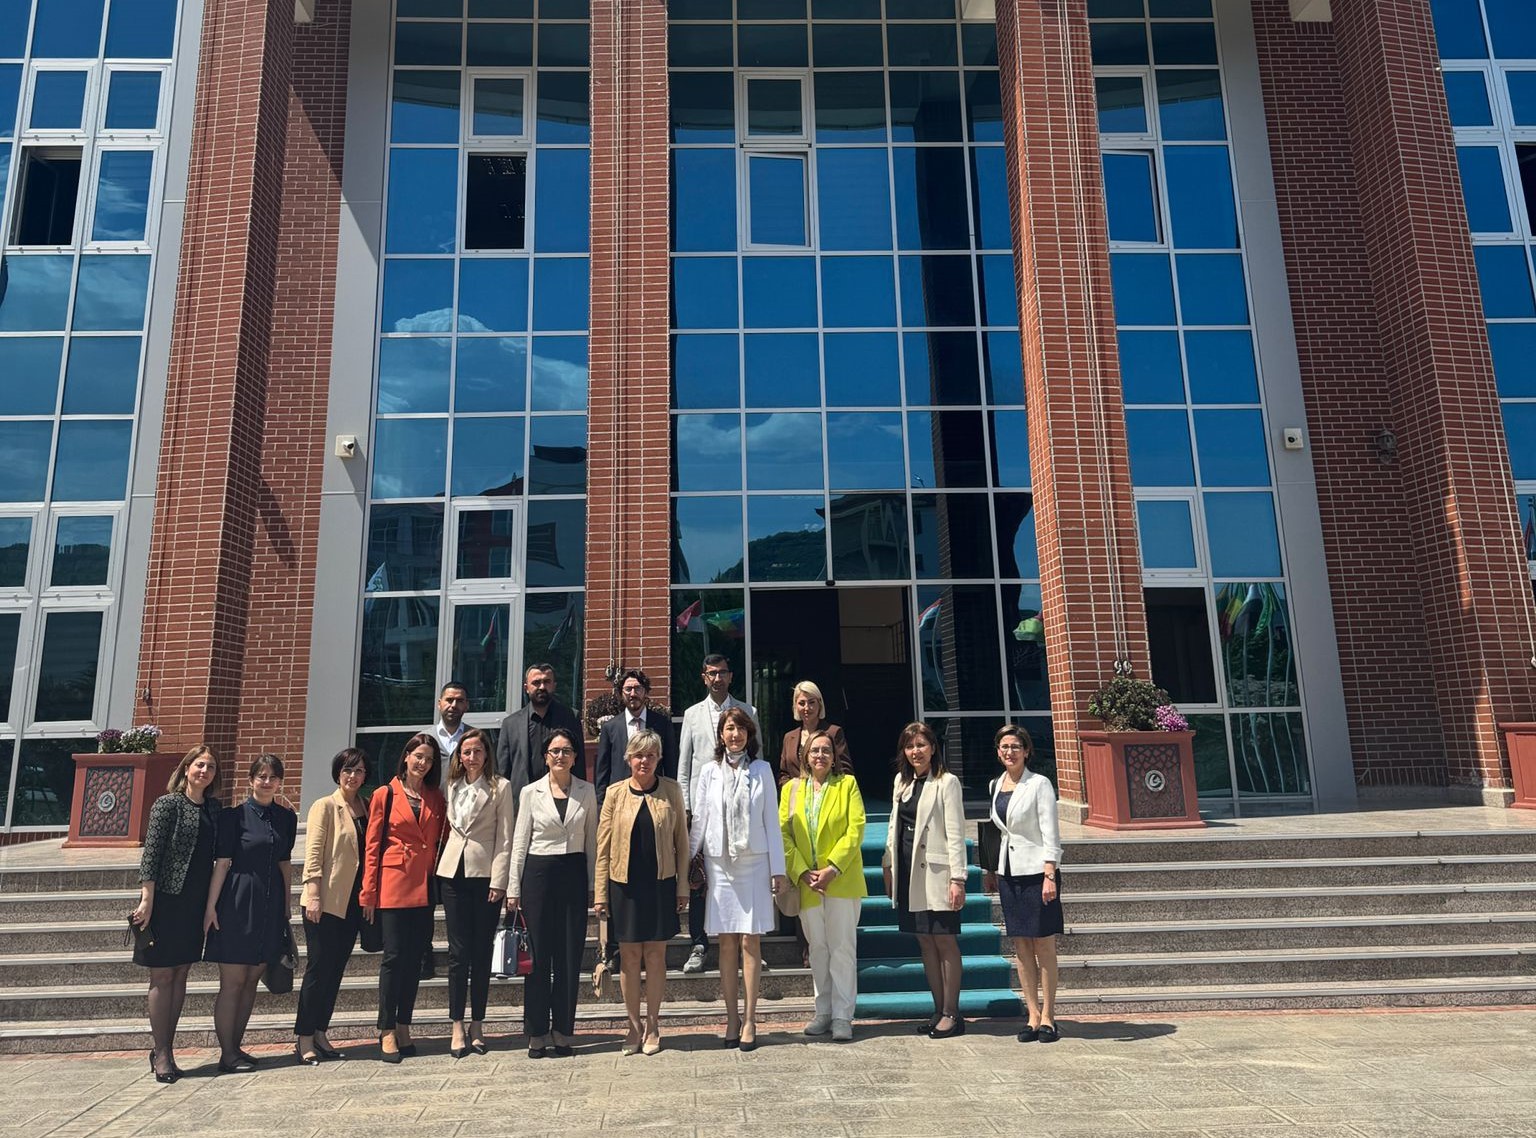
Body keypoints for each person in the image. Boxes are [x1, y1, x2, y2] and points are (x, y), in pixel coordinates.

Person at [690, 707, 787, 1052]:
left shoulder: (762, 770)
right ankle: (731, 1017)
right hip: (720, 864)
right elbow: (700, 819)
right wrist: (689, 861)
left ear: (749, 734)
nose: (735, 735)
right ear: (721, 734)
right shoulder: (708, 771)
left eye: (741, 729)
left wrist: (779, 869)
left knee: (750, 942)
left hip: (755, 862)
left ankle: (750, 1019)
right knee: (726, 943)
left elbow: (772, 821)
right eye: (730, 728)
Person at [593, 730, 690, 1056]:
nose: (644, 761)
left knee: (656, 956)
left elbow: (682, 843)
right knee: (630, 957)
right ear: (628, 759)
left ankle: (653, 1025)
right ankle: (633, 1026)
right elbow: (603, 847)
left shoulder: (671, 790)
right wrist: (600, 893)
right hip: (624, 886)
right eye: (638, 755)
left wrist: (682, 886)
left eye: (650, 755)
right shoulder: (615, 793)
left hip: (660, 884)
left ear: (658, 758)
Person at [203, 754, 298, 1073]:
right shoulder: (233, 817)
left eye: (273, 777)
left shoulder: (286, 818)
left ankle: (236, 1048)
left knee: (251, 982)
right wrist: (210, 907)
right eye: (261, 776)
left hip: (270, 907)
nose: (267, 782)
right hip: (237, 903)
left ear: (280, 781)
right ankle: (227, 1053)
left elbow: (285, 864)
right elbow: (222, 864)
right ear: (251, 780)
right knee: (233, 982)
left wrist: (286, 907)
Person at [133, 744, 221, 1083]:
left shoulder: (213, 808)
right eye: (199, 765)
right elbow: (152, 854)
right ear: (186, 768)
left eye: (210, 767)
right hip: (165, 900)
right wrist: (147, 899)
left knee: (181, 973)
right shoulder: (167, 804)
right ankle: (161, 1052)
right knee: (162, 975)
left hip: (195, 902)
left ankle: (166, 1047)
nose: (204, 771)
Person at [509, 727, 598, 1058]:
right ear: (546, 757)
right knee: (538, 957)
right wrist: (513, 887)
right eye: (555, 751)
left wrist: (594, 887)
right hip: (538, 876)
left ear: (575, 757)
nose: (561, 756)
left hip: (573, 875)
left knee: (568, 957)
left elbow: (592, 841)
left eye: (567, 751)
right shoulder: (530, 792)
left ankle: (562, 1031)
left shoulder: (587, 791)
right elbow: (520, 842)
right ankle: (536, 1032)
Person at [361, 733, 446, 1063]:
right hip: (393, 884)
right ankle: (386, 1028)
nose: (423, 763)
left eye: (429, 759)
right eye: (418, 756)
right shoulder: (385, 793)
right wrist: (368, 893)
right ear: (406, 756)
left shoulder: (435, 797)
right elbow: (372, 846)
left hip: (424, 885)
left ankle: (404, 1024)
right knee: (394, 958)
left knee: (414, 960)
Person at [881, 722, 968, 1039]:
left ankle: (952, 1013)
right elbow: (893, 826)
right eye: (909, 746)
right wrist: (888, 865)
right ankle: (937, 1009)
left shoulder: (947, 782)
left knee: (944, 940)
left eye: (920, 745)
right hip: (908, 872)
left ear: (933, 747)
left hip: (937, 873)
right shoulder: (901, 782)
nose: (915, 751)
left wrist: (958, 878)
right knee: (924, 940)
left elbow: (956, 833)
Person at [780, 730, 867, 1043]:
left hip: (840, 880)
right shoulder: (791, 790)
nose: (820, 756)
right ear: (805, 756)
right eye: (814, 750)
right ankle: (824, 1011)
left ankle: (843, 1015)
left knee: (842, 948)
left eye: (826, 751)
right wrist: (802, 871)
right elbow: (784, 834)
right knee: (817, 948)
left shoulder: (847, 785)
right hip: (807, 883)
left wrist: (832, 868)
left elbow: (855, 829)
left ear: (834, 757)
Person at [983, 724, 1064, 1044]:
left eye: (1016, 747)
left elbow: (1050, 831)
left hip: (1037, 873)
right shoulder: (995, 784)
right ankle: (1032, 1014)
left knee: (1043, 945)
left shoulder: (1039, 784)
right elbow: (995, 831)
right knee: (1021, 946)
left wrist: (1050, 873)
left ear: (1027, 751)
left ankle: (1049, 1017)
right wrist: (991, 869)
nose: (1010, 752)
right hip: (1009, 872)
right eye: (1004, 747)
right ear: (998, 752)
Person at [676, 654, 757, 975]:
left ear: (731, 676)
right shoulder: (692, 715)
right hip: (702, 812)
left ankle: (746, 946)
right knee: (701, 879)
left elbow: (757, 759)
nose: (717, 678)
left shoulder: (748, 712)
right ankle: (699, 944)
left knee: (739, 876)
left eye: (722, 672)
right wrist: (686, 808)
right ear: (704, 677)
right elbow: (684, 767)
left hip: (739, 811)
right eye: (712, 673)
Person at [436, 727, 513, 1058]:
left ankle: (477, 1024)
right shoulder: (451, 785)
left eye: (477, 751)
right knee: (458, 953)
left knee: (481, 952)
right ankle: (456, 1023)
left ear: (486, 754)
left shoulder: (500, 787)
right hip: (452, 874)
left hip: (485, 876)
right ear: (459, 755)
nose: (471, 757)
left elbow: (506, 837)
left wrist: (500, 880)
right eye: (466, 752)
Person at [294, 747, 372, 1064]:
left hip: (352, 902)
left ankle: (321, 1031)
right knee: (318, 968)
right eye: (347, 770)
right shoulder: (325, 806)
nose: (353, 776)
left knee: (336, 970)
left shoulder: (366, 806)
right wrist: (313, 894)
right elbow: (313, 854)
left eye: (359, 770)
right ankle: (304, 1038)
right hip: (324, 901)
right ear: (338, 773)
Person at [496, 662, 584, 801]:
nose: (542, 687)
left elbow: (579, 762)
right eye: (536, 682)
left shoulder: (570, 717)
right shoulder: (510, 724)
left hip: (562, 798)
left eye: (547, 682)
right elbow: (502, 771)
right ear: (526, 688)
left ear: (554, 685)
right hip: (522, 801)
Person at [594, 669, 678, 802]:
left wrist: (672, 798)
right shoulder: (610, 728)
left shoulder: (662, 724)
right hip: (620, 800)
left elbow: (670, 766)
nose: (633, 694)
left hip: (655, 798)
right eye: (628, 689)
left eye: (638, 688)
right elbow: (602, 772)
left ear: (645, 692)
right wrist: (600, 805)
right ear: (621, 693)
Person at [777, 680, 851, 785]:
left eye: (811, 702)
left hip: (827, 792)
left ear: (820, 704)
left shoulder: (833, 732)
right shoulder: (789, 737)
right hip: (796, 794)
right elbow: (783, 774)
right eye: (801, 703)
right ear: (795, 706)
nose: (807, 708)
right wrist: (791, 789)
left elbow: (845, 771)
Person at [434, 680, 470, 759]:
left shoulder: (477, 738)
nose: (454, 705)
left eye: (459, 701)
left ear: (467, 705)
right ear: (439, 704)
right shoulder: (426, 737)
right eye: (449, 700)